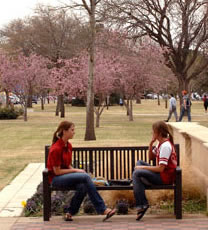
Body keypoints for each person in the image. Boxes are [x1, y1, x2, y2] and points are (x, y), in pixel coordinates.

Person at [47, 121, 116, 221]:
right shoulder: (56, 148)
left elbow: (67, 165)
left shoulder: (68, 146)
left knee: (83, 185)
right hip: (55, 179)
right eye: (72, 130)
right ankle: (103, 209)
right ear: (64, 131)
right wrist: (76, 170)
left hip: (63, 177)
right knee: (85, 177)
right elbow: (57, 172)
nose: (74, 132)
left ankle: (70, 212)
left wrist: (75, 170)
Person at [132, 121, 177, 221]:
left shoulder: (165, 146)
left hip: (165, 178)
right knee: (139, 162)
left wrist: (142, 168)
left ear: (159, 132)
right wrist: (151, 143)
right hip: (162, 174)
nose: (152, 133)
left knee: (136, 173)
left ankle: (142, 205)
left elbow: (160, 168)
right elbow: (151, 157)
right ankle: (142, 183)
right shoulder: (161, 143)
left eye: (153, 131)